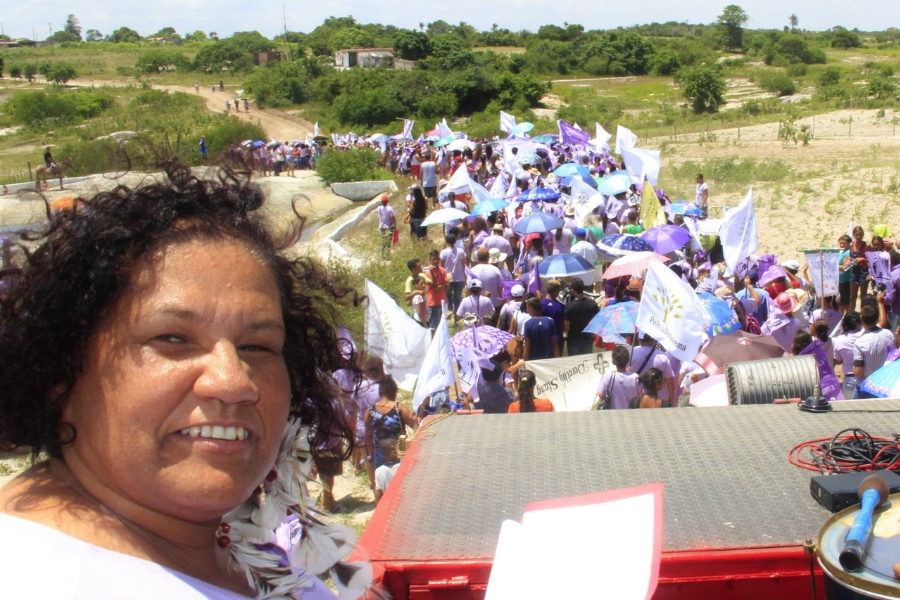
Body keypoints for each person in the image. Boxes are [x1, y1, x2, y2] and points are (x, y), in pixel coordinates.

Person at [0, 162, 359, 598]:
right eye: (172, 338)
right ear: (59, 370)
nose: (234, 381)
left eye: (258, 346)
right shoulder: (30, 577)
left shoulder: (226, 562)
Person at [364, 377, 418, 486]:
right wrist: (415, 423)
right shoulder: (399, 408)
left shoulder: (370, 410)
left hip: (379, 452)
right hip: (398, 453)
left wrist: (371, 453)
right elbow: (415, 429)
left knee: (381, 484)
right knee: (401, 484)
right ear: (393, 391)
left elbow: (368, 436)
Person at [852, 302, 895, 399]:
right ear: (876, 318)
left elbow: (858, 373)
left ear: (862, 319)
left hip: (866, 388)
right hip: (885, 385)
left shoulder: (859, 343)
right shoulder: (888, 334)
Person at [595, 346, 641, 410]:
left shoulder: (609, 376)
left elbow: (601, 394)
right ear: (628, 360)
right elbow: (639, 395)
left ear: (613, 361)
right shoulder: (635, 377)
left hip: (614, 414)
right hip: (631, 414)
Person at [564, 277, 600, 355]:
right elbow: (597, 321)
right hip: (587, 339)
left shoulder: (569, 306)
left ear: (573, 290)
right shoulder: (592, 304)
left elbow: (566, 327)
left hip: (573, 340)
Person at [833, 311, 863, 399]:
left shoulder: (839, 340)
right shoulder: (864, 335)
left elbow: (838, 361)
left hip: (849, 379)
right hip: (864, 377)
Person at [423, 249, 448, 331]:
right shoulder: (428, 273)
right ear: (430, 259)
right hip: (433, 302)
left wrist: (441, 286)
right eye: (434, 259)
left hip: (442, 301)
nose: (436, 261)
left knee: (442, 324)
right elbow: (435, 287)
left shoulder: (442, 270)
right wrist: (441, 286)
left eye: (437, 259)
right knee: (433, 326)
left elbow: (447, 284)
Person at [373, 439, 401, 506]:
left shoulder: (379, 471)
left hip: (389, 505)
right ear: (393, 452)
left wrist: (373, 486)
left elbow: (379, 496)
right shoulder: (403, 466)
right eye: (399, 449)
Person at [849, 225, 869, 311]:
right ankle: (851, 313)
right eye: (857, 235)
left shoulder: (866, 245)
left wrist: (863, 259)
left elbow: (871, 259)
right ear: (853, 235)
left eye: (860, 235)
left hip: (863, 270)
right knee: (852, 295)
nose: (858, 237)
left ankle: (862, 313)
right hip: (854, 270)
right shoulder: (851, 245)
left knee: (863, 295)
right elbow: (849, 256)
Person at [377, 195, 396, 259]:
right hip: (389, 227)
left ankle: (382, 255)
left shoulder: (379, 208)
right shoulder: (389, 209)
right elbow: (393, 218)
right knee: (388, 242)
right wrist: (395, 225)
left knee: (383, 241)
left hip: (381, 227)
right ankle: (387, 256)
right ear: (387, 201)